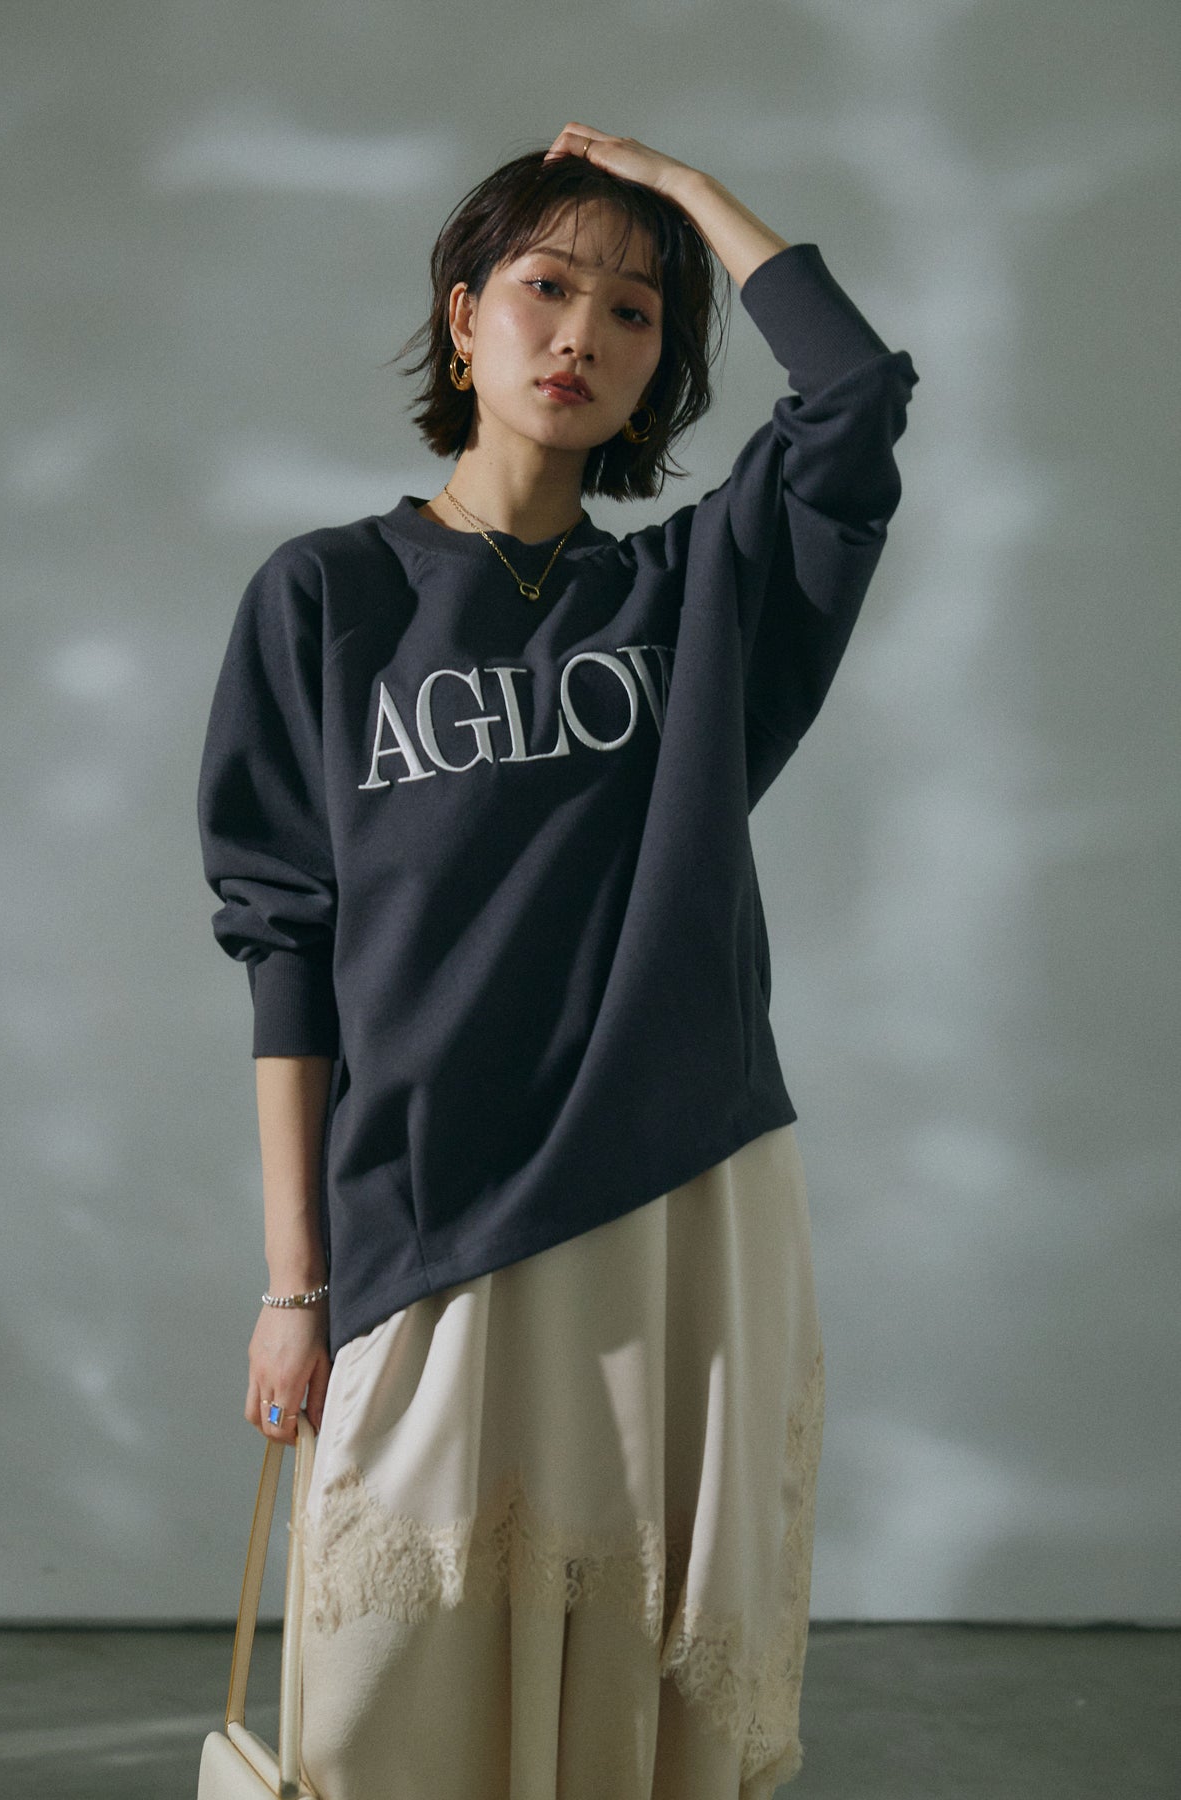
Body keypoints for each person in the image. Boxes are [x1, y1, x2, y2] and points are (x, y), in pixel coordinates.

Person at [197, 122, 919, 1800]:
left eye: (634, 309)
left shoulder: (697, 595)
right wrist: (295, 1286)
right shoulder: (325, 597)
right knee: (386, 1694)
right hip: (427, 1201)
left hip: (672, 1178)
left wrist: (693, 198)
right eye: (544, 286)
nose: (582, 331)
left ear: (661, 369)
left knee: (648, 1668)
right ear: (464, 318)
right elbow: (283, 940)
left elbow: (852, 400)